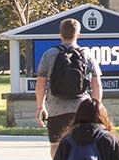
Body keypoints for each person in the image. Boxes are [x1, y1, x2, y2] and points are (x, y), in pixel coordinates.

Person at [34, 18, 103, 149]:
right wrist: (96, 106)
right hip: (81, 108)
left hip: (56, 108)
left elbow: (41, 84)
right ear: (78, 35)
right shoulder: (87, 55)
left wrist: (40, 107)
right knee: (83, 144)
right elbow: (96, 84)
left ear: (60, 34)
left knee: (56, 145)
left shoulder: (49, 54)